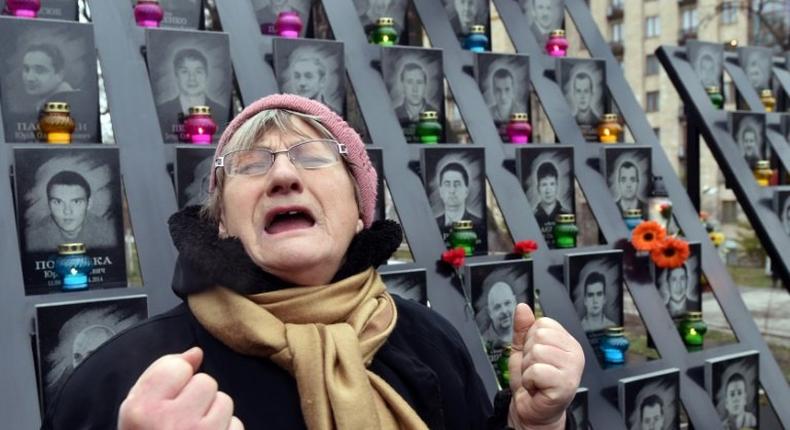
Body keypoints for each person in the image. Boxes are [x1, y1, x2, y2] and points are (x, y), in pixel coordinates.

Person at [43, 94, 585, 430]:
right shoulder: (125, 380)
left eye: (312, 156)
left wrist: (534, 422)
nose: (283, 176)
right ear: (223, 220)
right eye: (252, 164)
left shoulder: (428, 339)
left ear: (357, 211)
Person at [26, 170, 116, 252]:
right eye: (58, 202)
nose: (67, 211)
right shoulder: (31, 239)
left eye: (76, 202)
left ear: (89, 204)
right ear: (49, 204)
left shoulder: (111, 234)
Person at [157, 48, 227, 141]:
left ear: (206, 75)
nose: (192, 78)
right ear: (176, 76)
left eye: (198, 71)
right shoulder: (162, 112)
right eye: (185, 72)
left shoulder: (223, 113)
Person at [434, 161, 485, 246]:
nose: (452, 190)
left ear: (466, 191)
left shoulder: (478, 224)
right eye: (447, 184)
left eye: (457, 184)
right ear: (441, 191)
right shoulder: (433, 224)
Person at [21, 43, 76, 113]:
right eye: (26, 69)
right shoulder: (43, 103)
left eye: (39, 70)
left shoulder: (72, 105)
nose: (29, 78)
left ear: (59, 74)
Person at [533, 161, 568, 246]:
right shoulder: (531, 217)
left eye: (552, 184)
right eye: (544, 184)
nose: (548, 190)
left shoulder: (567, 215)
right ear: (538, 188)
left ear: (557, 186)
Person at [481, 281, 517, 346]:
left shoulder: (527, 334)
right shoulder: (482, 344)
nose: (504, 311)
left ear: (515, 302)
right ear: (490, 313)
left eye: (507, 303)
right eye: (497, 307)